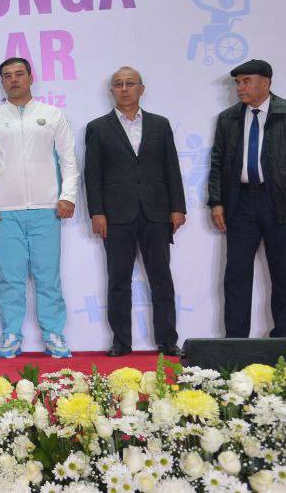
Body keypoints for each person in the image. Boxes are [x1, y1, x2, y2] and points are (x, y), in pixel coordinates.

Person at [208, 59, 286, 338]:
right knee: (236, 276)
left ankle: (284, 341)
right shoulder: (228, 118)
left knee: (284, 276)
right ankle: (235, 343)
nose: (240, 87)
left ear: (266, 83)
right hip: (240, 204)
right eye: (238, 82)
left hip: (282, 203)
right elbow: (218, 162)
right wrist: (216, 201)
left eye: (246, 81)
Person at [0, 57, 79, 359]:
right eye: (7, 75)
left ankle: (54, 333)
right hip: (5, 212)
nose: (14, 80)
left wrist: (68, 195)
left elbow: (68, 159)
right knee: (11, 279)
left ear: (31, 78)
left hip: (47, 209)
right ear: (2, 82)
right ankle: (11, 334)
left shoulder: (51, 115)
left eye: (19, 74)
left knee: (48, 278)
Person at [83, 67, 185, 356]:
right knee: (118, 280)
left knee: (161, 278)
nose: (125, 88)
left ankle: (167, 340)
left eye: (130, 83)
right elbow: (92, 174)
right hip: (116, 215)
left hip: (156, 213)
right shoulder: (98, 127)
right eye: (119, 84)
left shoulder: (160, 124)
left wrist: (177, 207)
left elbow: (171, 168)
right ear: (111, 91)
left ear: (141, 89)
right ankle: (121, 341)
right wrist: (97, 212)